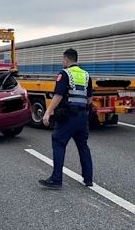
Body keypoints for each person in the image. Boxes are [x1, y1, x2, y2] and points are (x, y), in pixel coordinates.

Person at [39, 48, 93, 189]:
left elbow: (58, 95)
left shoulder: (65, 74)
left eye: (63, 59)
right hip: (82, 117)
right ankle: (88, 179)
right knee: (83, 146)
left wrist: (47, 113)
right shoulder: (86, 75)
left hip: (68, 116)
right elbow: (89, 99)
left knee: (58, 142)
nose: (62, 62)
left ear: (66, 59)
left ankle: (56, 179)